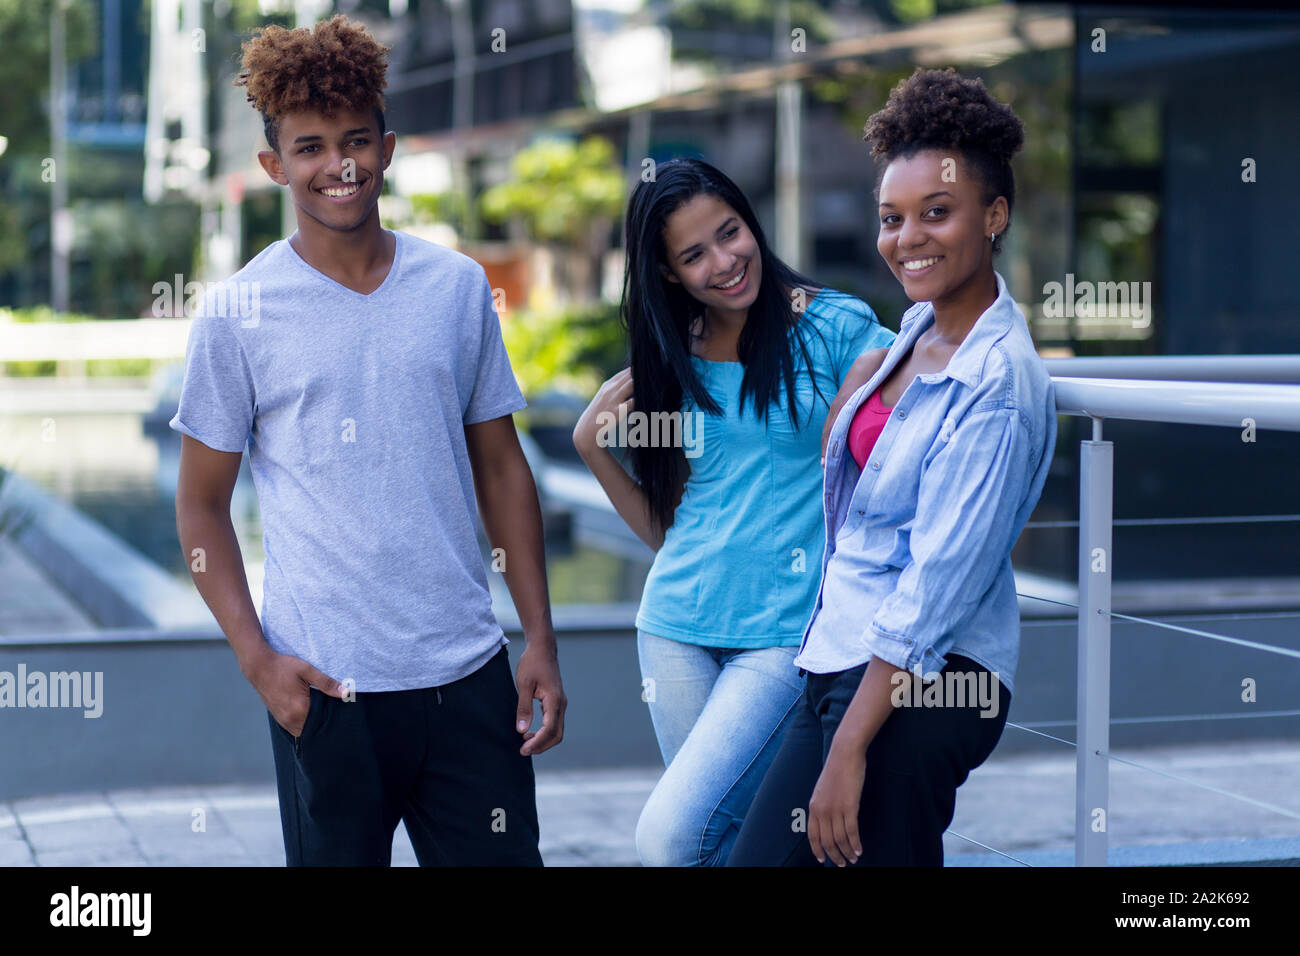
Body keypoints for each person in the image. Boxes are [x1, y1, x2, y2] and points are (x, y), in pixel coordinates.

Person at [171, 15, 565, 867]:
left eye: (355, 141)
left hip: (466, 677)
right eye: (308, 147)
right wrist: (260, 663)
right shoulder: (239, 313)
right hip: (325, 691)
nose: (336, 165)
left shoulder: (457, 288)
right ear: (276, 166)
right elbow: (201, 507)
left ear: (387, 148)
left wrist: (538, 637)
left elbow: (502, 468)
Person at [728, 67, 1058, 867]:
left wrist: (849, 750)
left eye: (936, 214)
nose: (907, 237)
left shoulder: (998, 384)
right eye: (892, 218)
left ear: (995, 216)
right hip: (846, 656)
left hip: (923, 684)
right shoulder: (912, 332)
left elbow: (935, 586)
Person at [573, 158, 895, 865]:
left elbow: (896, 437)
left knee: (671, 838)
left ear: (752, 220)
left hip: (785, 638)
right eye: (694, 255)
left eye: (730, 232)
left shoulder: (838, 327)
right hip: (675, 629)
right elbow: (675, 529)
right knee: (721, 845)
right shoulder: (673, 356)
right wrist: (593, 450)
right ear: (667, 274)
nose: (724, 261)